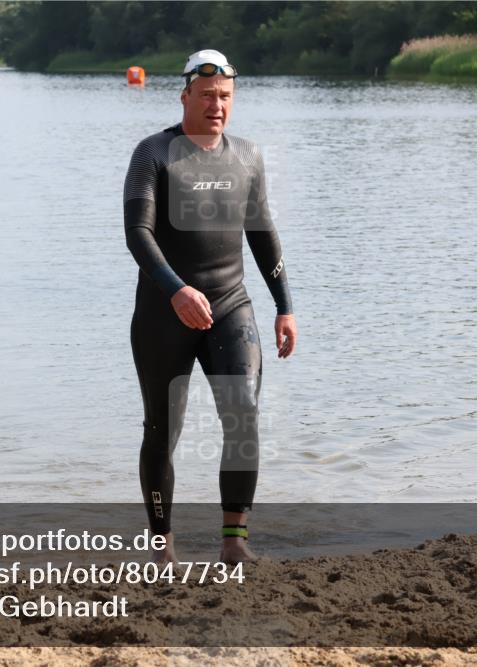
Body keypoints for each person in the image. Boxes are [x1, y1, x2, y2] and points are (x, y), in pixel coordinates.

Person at [123, 49, 298, 565]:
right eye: (206, 96)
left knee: (243, 416)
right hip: (163, 312)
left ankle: (234, 544)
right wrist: (176, 289)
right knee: (162, 431)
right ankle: (162, 548)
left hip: (230, 306)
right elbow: (138, 233)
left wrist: (284, 305)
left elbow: (262, 233)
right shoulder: (154, 153)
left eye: (224, 96)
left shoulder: (246, 156)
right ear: (185, 96)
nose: (216, 105)